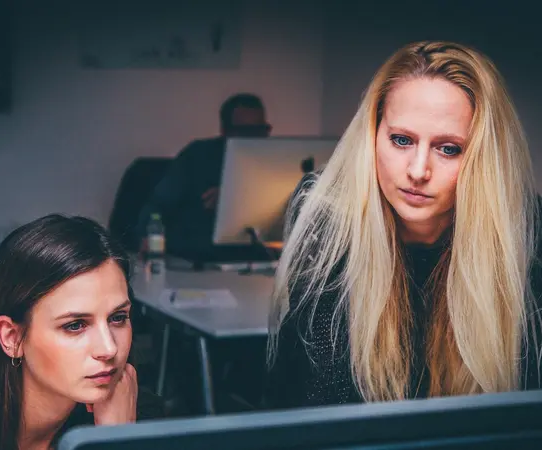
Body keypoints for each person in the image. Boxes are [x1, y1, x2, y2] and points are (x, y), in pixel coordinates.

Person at [265, 41, 542, 410]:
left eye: (449, 148)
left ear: (483, 157)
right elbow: (325, 398)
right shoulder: (329, 217)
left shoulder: (524, 229)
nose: (418, 170)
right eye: (401, 140)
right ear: (372, 135)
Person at [0, 214, 163, 449]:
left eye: (118, 318)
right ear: (12, 338)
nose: (109, 349)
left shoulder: (137, 419)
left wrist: (116, 438)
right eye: (75, 325)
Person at [136, 92, 272, 259]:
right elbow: (157, 204)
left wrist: (236, 199)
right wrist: (148, 237)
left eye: (260, 130)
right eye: (245, 131)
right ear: (225, 131)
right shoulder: (198, 156)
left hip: (256, 256)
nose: (254, 139)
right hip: (200, 255)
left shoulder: (272, 164)